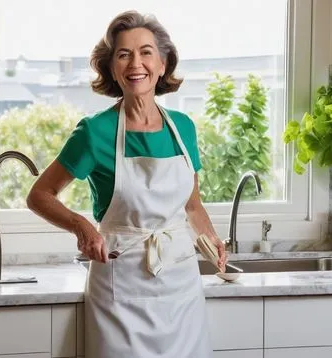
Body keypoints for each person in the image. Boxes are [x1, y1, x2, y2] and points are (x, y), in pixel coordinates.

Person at [27, 10, 227, 358]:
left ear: (163, 64)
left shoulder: (184, 128)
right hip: (122, 289)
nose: (136, 63)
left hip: (181, 287)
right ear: (112, 67)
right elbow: (39, 195)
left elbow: (192, 206)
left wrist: (211, 239)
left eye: (146, 52)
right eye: (124, 54)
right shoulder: (95, 132)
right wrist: (82, 227)